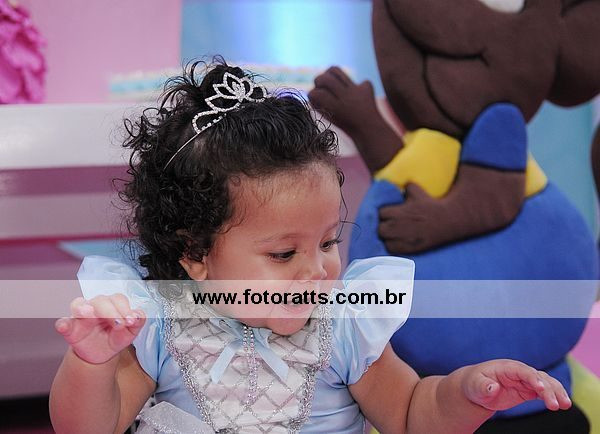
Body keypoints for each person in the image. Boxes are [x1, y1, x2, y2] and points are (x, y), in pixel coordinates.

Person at [49, 60, 571, 434]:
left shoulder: (343, 325)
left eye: (327, 242)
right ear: (196, 254)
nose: (316, 271)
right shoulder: (160, 325)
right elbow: (90, 426)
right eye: (283, 254)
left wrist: (468, 392)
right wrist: (91, 365)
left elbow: (413, 412)